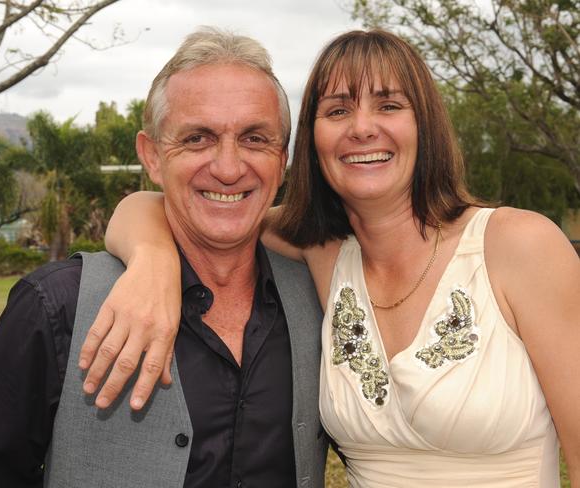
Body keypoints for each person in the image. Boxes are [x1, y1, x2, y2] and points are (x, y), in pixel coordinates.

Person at [80, 30, 580, 487]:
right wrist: (152, 260)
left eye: (388, 106)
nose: (362, 129)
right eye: (338, 110)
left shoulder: (519, 246)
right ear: (309, 142)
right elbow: (161, 205)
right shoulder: (318, 252)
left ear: (425, 124)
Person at [0, 28, 328, 488]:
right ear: (151, 155)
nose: (228, 168)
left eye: (255, 139)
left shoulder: (320, 301)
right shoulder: (53, 308)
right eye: (197, 139)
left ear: (282, 157)